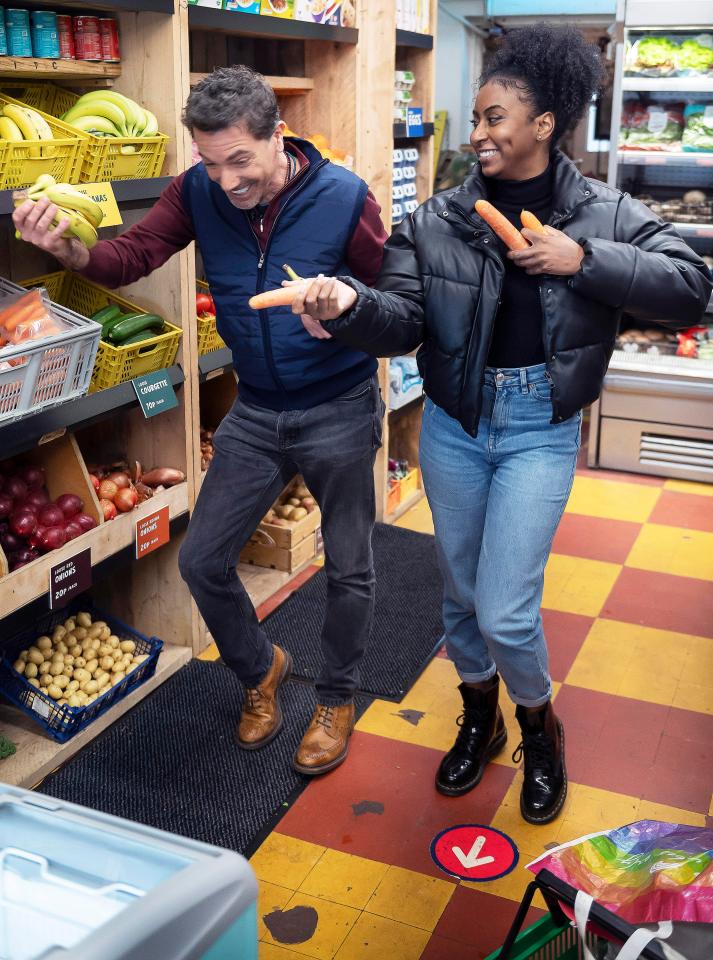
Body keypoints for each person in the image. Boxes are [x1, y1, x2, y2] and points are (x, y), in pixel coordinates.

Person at [285, 24, 712, 821]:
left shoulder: (601, 213)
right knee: (459, 596)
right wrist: (346, 307)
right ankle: (476, 715)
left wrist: (580, 261)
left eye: (492, 118)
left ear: (542, 125)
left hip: (537, 428)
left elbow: (693, 284)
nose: (475, 132)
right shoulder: (440, 218)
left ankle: (538, 727)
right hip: (454, 423)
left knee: (506, 607)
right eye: (477, 119)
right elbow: (402, 320)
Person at [13, 66, 388, 776]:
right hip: (255, 408)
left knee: (350, 567)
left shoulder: (343, 198)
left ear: (278, 136)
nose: (226, 181)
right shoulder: (198, 192)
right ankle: (260, 670)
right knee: (201, 560)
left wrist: (344, 307)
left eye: (239, 160)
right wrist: (69, 249)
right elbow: (133, 256)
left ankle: (336, 700)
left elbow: (398, 298)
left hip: (338, 405)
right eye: (210, 163)